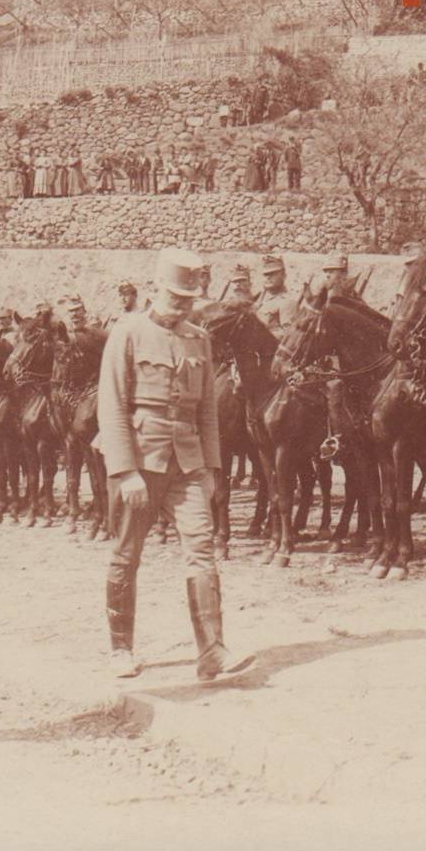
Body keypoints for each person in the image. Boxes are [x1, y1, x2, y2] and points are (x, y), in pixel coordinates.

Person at [96, 248, 255, 681]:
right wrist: (125, 470)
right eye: (174, 296)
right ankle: (120, 649)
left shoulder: (198, 338)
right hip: (141, 460)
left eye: (188, 298)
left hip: (187, 463)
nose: (181, 305)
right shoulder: (127, 332)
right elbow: (110, 406)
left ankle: (212, 652)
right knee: (127, 554)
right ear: (155, 290)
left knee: (202, 551)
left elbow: (206, 413)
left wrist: (210, 470)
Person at [255, 253, 293, 333]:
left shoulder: (287, 302)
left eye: (273, 274)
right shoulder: (258, 299)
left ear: (283, 276)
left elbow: (288, 337)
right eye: (266, 274)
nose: (268, 277)